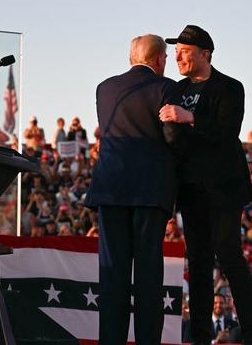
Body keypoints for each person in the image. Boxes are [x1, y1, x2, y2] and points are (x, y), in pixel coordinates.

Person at [159, 24, 252, 344]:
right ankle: (201, 337)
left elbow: (226, 132)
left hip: (223, 188)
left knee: (229, 255)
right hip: (190, 189)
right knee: (200, 263)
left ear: (205, 54)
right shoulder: (175, 88)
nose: (177, 56)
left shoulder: (230, 87)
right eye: (175, 52)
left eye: (185, 51)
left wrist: (187, 117)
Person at [85, 34, 178, 345]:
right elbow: (172, 137)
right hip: (150, 192)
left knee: (113, 274)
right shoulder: (166, 87)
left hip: (110, 190)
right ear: (159, 59)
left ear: (131, 58)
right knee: (148, 275)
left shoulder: (104, 88)